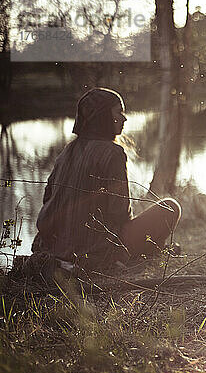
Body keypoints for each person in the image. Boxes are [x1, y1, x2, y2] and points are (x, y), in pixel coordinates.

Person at [29, 87, 181, 274]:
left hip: (55, 248)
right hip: (94, 253)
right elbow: (119, 213)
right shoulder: (113, 153)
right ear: (102, 117)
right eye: (119, 112)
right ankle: (138, 256)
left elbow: (48, 200)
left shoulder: (67, 151)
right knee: (170, 207)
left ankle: (147, 253)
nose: (124, 118)